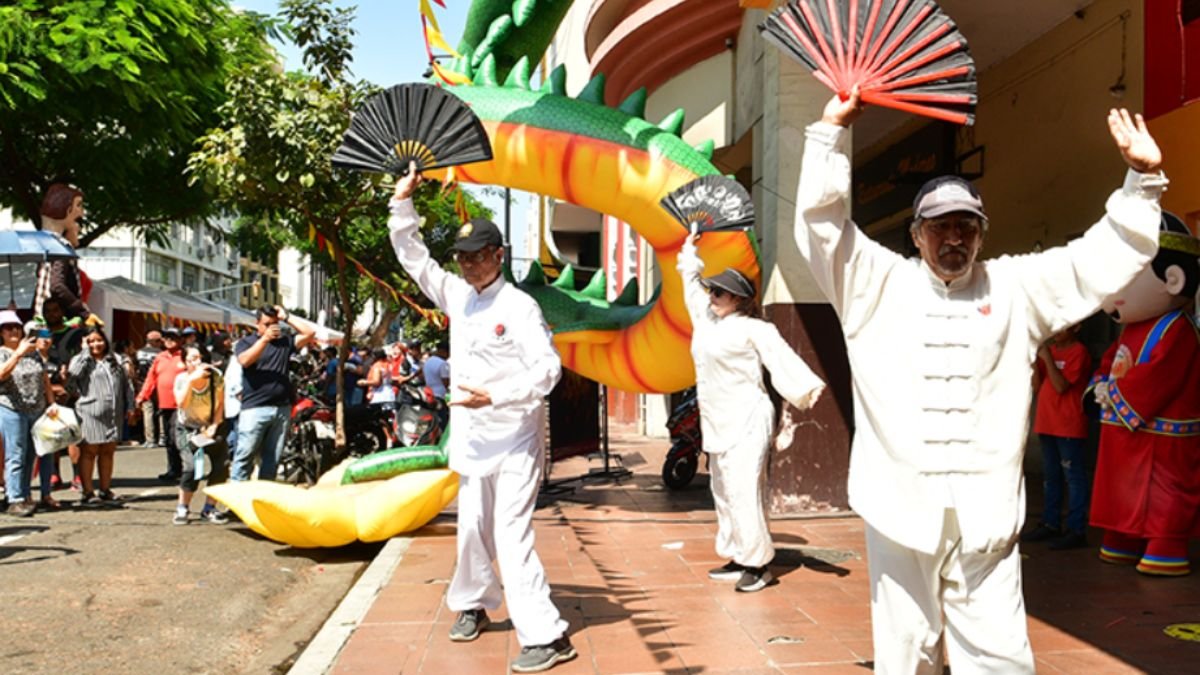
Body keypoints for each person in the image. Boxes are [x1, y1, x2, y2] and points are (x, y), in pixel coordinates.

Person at [794, 92, 1166, 673]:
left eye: (966, 227)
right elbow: (822, 227)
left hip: (986, 514)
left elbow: (1092, 262)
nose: (953, 240)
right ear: (916, 235)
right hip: (897, 506)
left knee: (997, 653)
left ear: (981, 234)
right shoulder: (873, 282)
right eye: (940, 227)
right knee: (904, 649)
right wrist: (828, 133)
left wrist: (1142, 180)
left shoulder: (1014, 287)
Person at [388, 163, 574, 673]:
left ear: (499, 256)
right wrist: (401, 203)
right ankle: (473, 603)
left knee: (510, 535)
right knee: (470, 527)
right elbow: (413, 258)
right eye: (463, 258)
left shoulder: (519, 307)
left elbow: (548, 371)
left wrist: (494, 395)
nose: (469, 266)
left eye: (478, 257)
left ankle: (547, 635)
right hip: (473, 440)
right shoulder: (456, 296)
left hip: (515, 437)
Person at [677, 232, 825, 592]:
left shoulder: (757, 329)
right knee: (724, 491)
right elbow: (690, 285)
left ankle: (759, 566)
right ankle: (738, 554)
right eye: (712, 291)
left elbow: (781, 360)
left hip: (747, 419)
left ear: (739, 299)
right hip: (717, 421)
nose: (712, 296)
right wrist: (689, 249)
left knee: (744, 490)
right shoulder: (707, 322)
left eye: (719, 292)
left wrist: (807, 389)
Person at [1088, 213, 1200, 576]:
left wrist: (1115, 394)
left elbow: (1159, 379)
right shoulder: (1134, 328)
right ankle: (1121, 538)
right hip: (1129, 431)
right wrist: (1100, 388)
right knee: (1122, 492)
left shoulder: (1177, 330)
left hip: (1159, 439)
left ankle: (1165, 546)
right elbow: (1110, 363)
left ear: (1172, 279)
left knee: (1161, 498)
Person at [1022, 325, 1093, 550]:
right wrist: (1035, 361)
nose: (1057, 333)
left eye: (1063, 328)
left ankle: (1076, 528)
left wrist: (1047, 359)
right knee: (1050, 477)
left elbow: (1061, 386)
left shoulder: (1079, 352)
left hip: (1068, 425)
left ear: (1077, 328)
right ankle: (1050, 522)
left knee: (1073, 477)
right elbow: (1038, 386)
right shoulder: (1051, 351)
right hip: (1047, 422)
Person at [231, 306, 314, 482]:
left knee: (272, 460)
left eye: (274, 323)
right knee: (244, 457)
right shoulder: (246, 342)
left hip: (281, 409)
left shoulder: (284, 342)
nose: (272, 328)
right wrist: (265, 340)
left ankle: (263, 500)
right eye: (267, 324)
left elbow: (309, 333)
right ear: (257, 324)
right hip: (254, 408)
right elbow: (245, 361)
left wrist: (287, 317)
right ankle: (235, 502)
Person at [68, 327, 135, 506]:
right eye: (90, 341)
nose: (95, 344)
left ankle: (105, 489)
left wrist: (130, 405)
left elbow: (126, 384)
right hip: (89, 412)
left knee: (108, 451)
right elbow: (72, 374)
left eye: (99, 340)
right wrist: (84, 351)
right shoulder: (82, 360)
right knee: (89, 452)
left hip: (113, 413)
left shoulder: (115, 360)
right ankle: (88, 492)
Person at [0, 311, 56, 517]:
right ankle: (13, 499)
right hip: (11, 408)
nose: (13, 331)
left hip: (37, 409)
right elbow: (1, 375)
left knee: (31, 455)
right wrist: (17, 354)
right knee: (15, 454)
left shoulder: (34, 354)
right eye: (7, 328)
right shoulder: (3, 353)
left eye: (16, 327)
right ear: (1, 333)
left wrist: (51, 404)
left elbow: (44, 379)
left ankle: (23, 496)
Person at [172, 345, 229, 525]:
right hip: (188, 429)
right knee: (193, 468)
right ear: (185, 362)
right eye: (192, 359)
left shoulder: (216, 377)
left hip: (210, 427)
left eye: (200, 358)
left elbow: (221, 404)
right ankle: (183, 507)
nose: (198, 362)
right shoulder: (181, 379)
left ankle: (209, 508)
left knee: (221, 466)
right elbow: (181, 402)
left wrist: (214, 425)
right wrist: (191, 380)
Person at [34, 183, 93, 322]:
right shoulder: (59, 247)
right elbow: (57, 286)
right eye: (78, 205)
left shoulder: (44, 243)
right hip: (59, 322)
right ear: (65, 208)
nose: (81, 213)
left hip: (45, 318)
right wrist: (82, 310)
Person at [136, 327, 186, 482]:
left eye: (173, 337)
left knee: (179, 438)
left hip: (183, 405)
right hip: (164, 404)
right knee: (170, 440)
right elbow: (151, 378)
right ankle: (174, 469)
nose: (170, 340)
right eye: (167, 337)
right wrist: (142, 396)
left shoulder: (185, 355)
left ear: (180, 340)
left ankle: (187, 468)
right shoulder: (160, 357)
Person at [136, 330, 164, 446]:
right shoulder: (160, 353)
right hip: (158, 384)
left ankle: (150, 439)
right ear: (156, 342)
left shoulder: (139, 352)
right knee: (161, 410)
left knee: (148, 411)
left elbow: (136, 368)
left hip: (143, 383)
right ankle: (162, 437)